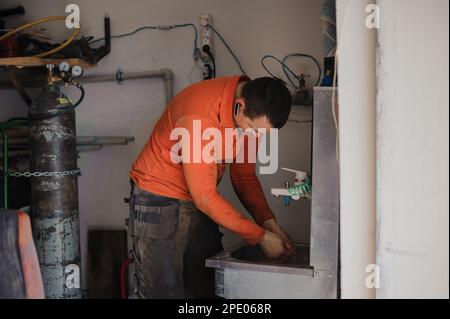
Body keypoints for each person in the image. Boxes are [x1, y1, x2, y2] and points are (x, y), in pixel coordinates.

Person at [128, 75, 294, 298]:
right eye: (253, 131)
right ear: (239, 106)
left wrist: (271, 225)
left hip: (197, 195)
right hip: (158, 196)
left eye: (262, 134)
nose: (255, 137)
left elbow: (243, 176)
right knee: (163, 290)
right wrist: (260, 236)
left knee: (205, 284)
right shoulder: (200, 116)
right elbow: (205, 198)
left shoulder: (252, 111)